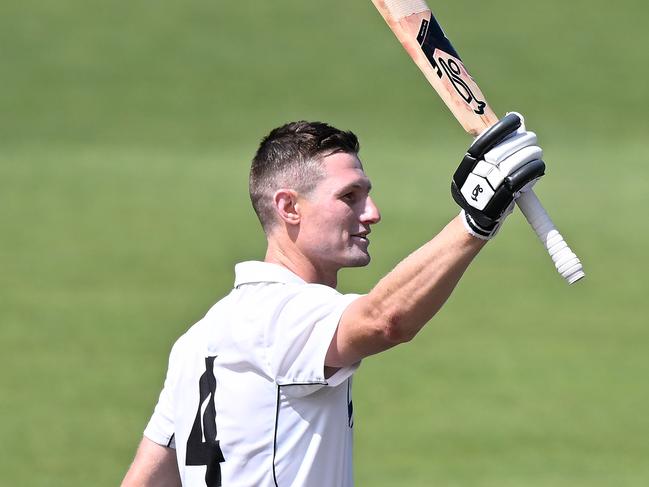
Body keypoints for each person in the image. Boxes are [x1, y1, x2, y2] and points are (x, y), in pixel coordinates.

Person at [121, 113, 545, 487]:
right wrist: (474, 222)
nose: (372, 212)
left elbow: (146, 481)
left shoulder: (197, 341)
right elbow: (384, 319)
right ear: (289, 207)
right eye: (349, 196)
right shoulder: (279, 314)